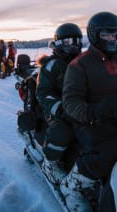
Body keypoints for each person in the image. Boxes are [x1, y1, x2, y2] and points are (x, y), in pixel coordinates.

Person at [60, 11, 117, 211]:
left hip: (115, 116)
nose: (112, 39)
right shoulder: (80, 64)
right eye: (107, 34)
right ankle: (73, 187)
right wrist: (96, 110)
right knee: (109, 151)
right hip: (88, 120)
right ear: (94, 35)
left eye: (115, 34)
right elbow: (70, 102)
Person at [36, 23, 83, 185]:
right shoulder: (51, 65)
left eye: (77, 41)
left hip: (81, 107)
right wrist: (61, 109)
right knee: (62, 131)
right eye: (69, 41)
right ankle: (51, 164)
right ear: (59, 43)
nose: (74, 45)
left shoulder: (83, 62)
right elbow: (43, 93)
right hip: (56, 109)